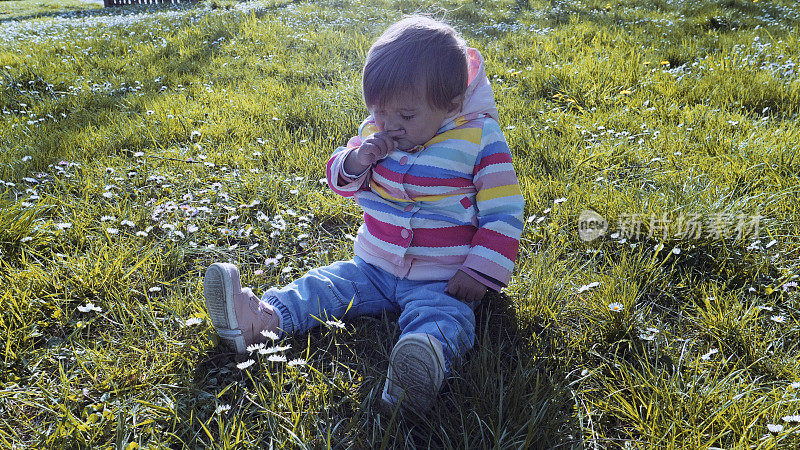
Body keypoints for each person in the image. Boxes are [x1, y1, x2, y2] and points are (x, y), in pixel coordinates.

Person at [203, 15, 525, 415]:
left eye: (406, 116)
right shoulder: (377, 131)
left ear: (452, 103)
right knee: (325, 285)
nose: (389, 125)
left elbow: (504, 211)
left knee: (445, 316)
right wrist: (356, 160)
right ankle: (263, 319)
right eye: (379, 111)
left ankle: (422, 361)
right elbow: (342, 180)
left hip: (442, 278)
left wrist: (479, 271)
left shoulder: (479, 140)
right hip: (372, 265)